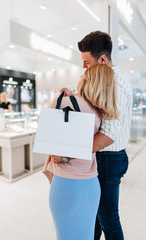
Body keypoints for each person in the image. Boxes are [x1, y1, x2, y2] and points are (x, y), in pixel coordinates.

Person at [55, 31, 132, 240]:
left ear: (102, 59)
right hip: (103, 156)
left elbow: (107, 136)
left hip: (108, 156)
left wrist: (68, 153)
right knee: (94, 216)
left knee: (108, 217)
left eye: (86, 62)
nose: (83, 67)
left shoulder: (116, 85)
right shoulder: (104, 80)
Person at [43, 64, 119, 240]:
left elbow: (43, 123)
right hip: (91, 184)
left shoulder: (66, 101)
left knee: (66, 235)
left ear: (87, 81)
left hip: (67, 185)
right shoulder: (102, 111)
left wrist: (58, 99)